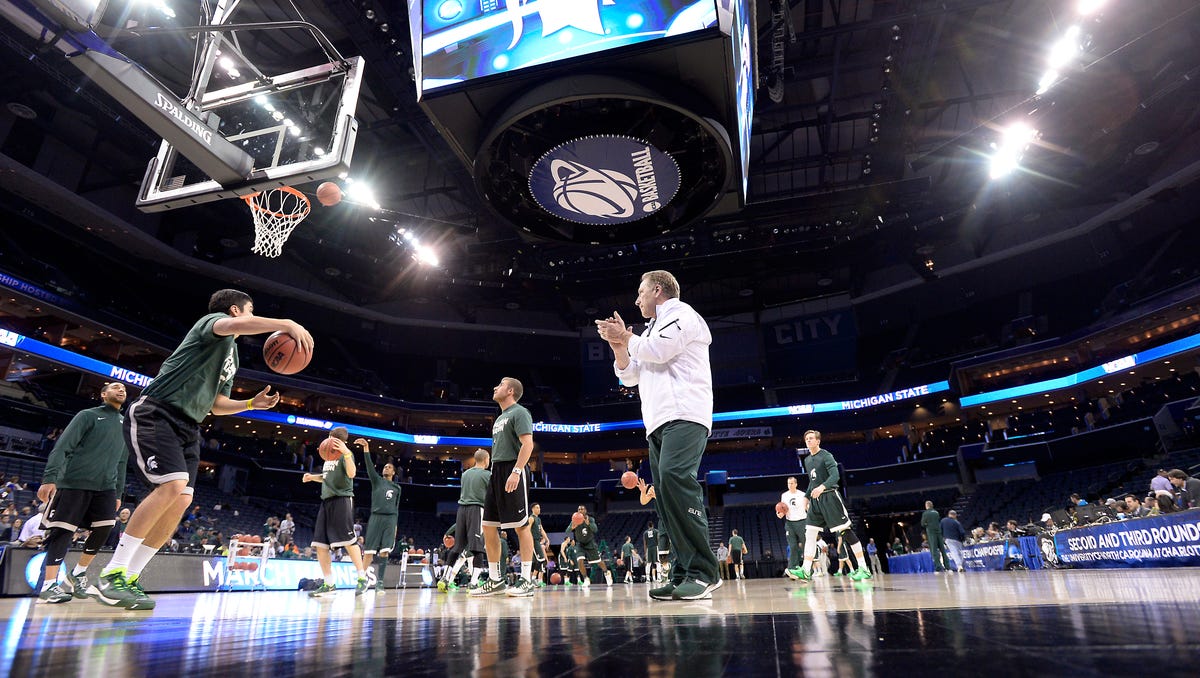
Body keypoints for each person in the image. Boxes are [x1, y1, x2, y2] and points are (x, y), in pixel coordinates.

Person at [96, 289, 313, 610]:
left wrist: (253, 403)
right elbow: (230, 327)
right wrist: (286, 323)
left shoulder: (233, 357)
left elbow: (216, 405)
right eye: (251, 312)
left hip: (189, 425)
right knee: (171, 486)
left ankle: (130, 576)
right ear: (237, 311)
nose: (253, 318)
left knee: (182, 498)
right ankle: (111, 574)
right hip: (157, 411)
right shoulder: (213, 323)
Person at [595, 270, 721, 601]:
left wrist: (627, 337)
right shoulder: (650, 330)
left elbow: (660, 351)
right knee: (664, 496)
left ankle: (705, 573)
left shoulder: (681, 313)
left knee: (675, 478)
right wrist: (618, 345)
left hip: (685, 413)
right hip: (657, 421)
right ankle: (682, 573)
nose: (637, 299)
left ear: (657, 289)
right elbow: (629, 376)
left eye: (640, 292)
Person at [35, 382, 130, 603]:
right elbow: (63, 446)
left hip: (106, 487)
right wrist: (50, 478)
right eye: (116, 387)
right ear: (103, 394)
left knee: (106, 527)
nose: (121, 390)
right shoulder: (87, 415)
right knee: (63, 532)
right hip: (74, 482)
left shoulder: (126, 425)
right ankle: (49, 585)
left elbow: (122, 462)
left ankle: (78, 573)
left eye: (124, 388)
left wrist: (118, 493)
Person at [471, 377, 537, 598]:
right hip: (497, 471)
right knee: (489, 526)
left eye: (499, 384)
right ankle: (495, 579)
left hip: (512, 468)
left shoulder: (520, 412)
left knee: (521, 527)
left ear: (510, 391)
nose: (494, 387)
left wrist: (517, 471)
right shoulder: (500, 417)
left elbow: (528, 444)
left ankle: (526, 580)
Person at [789, 430, 872, 582]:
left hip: (830, 497)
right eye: (806, 439)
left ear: (818, 441)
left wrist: (822, 487)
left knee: (846, 532)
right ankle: (806, 570)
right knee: (810, 534)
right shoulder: (807, 460)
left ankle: (864, 569)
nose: (808, 440)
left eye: (811, 438)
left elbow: (835, 476)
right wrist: (807, 497)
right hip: (816, 501)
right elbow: (812, 482)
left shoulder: (826, 456)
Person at [301, 427, 368, 597]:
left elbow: (352, 473)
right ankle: (329, 584)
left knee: (348, 540)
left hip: (342, 499)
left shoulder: (347, 454)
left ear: (333, 438)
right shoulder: (328, 455)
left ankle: (362, 578)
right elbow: (326, 478)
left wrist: (346, 452)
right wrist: (312, 477)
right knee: (320, 544)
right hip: (327, 501)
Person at [440, 449, 491, 591]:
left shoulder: (465, 474)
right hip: (476, 509)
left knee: (457, 548)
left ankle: (445, 578)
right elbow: (491, 497)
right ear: (486, 459)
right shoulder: (488, 475)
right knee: (478, 548)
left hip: (461, 509)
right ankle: (473, 583)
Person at [360, 438, 400, 592]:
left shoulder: (397, 488)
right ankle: (362, 580)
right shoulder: (376, 480)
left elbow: (396, 507)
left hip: (390, 519)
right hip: (376, 517)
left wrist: (395, 525)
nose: (386, 468)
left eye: (389, 467)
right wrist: (366, 448)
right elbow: (369, 466)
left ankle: (380, 583)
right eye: (385, 466)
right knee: (369, 550)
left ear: (393, 472)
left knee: (385, 551)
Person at [569, 505, 612, 587]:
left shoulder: (591, 519)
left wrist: (588, 524)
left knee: (598, 562)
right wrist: (572, 527)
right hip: (580, 544)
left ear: (585, 510)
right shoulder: (574, 519)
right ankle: (585, 579)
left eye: (582, 509)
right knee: (580, 561)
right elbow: (567, 530)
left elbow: (595, 529)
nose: (580, 510)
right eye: (579, 509)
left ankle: (607, 573)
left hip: (590, 543)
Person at [780, 476, 808, 580]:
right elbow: (782, 509)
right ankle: (792, 569)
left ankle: (807, 569)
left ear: (796, 484)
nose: (790, 485)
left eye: (791, 483)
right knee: (793, 546)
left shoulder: (802, 494)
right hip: (790, 523)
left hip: (802, 521)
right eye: (788, 483)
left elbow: (807, 507)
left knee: (806, 545)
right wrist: (780, 514)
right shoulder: (784, 495)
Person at [920, 501, 951, 573]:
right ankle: (948, 567)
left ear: (926, 506)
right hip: (938, 532)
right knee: (942, 550)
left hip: (931, 533)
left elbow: (922, 524)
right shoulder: (936, 512)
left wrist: (927, 524)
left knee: (934, 550)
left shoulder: (925, 513)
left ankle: (938, 567)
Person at [530, 502, 549, 587]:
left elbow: (542, 530)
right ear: (533, 509)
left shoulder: (538, 519)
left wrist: (547, 539)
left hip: (537, 540)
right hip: (533, 541)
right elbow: (527, 530)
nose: (539, 509)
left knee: (541, 560)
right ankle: (533, 579)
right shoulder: (531, 518)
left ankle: (534, 579)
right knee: (540, 559)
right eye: (537, 507)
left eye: (539, 507)